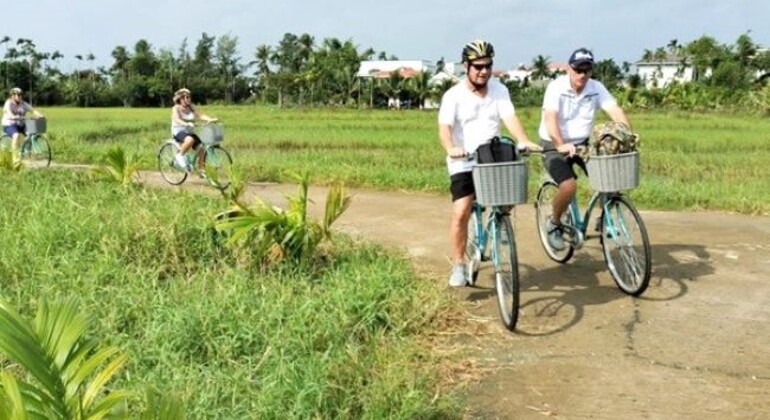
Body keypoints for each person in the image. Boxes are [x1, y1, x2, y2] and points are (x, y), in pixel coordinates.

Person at [438, 40, 541, 287]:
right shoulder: (453, 95)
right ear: (466, 66)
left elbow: (510, 118)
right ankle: (460, 264)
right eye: (477, 66)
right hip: (464, 159)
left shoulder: (499, 90)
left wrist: (523, 139)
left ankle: (501, 223)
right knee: (462, 210)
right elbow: (445, 129)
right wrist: (451, 148)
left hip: (493, 156)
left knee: (511, 190)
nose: (483, 71)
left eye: (487, 66)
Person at [538, 48, 632, 251]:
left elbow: (615, 111)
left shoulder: (596, 87)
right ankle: (554, 223)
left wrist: (629, 136)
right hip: (554, 144)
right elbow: (550, 118)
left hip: (583, 143)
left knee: (611, 176)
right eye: (578, 70)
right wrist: (560, 144)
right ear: (569, 69)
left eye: (587, 70)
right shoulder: (556, 88)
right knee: (569, 186)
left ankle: (605, 218)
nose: (582, 75)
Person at [170, 88, 218, 172]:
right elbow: (176, 119)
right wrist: (185, 124)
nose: (189, 99)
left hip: (189, 131)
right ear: (181, 98)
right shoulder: (176, 108)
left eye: (189, 97)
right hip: (178, 131)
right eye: (186, 97)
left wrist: (209, 119)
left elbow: (200, 115)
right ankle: (179, 156)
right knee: (190, 140)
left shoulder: (191, 107)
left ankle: (201, 170)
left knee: (201, 148)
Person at [2, 87, 44, 159]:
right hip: (9, 124)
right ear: (13, 96)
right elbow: (8, 111)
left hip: (21, 124)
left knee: (31, 133)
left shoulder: (23, 104)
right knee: (16, 135)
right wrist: (12, 116)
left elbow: (32, 111)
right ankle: (14, 157)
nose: (20, 96)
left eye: (21, 95)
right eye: (18, 95)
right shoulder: (8, 103)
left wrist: (40, 115)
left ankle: (27, 154)